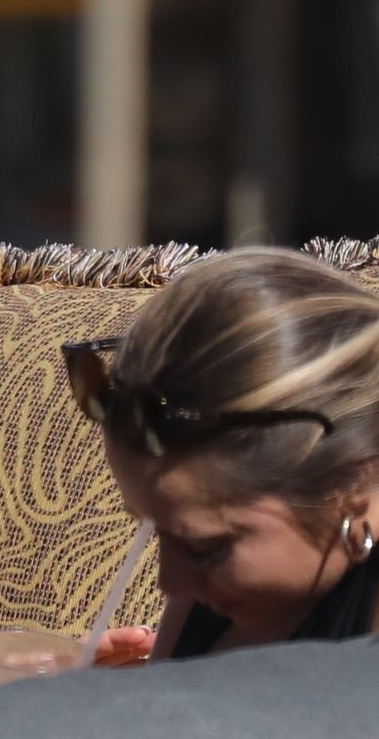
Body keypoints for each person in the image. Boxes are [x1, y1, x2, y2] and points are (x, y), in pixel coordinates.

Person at [66, 249, 379, 662]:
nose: (169, 582)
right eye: (155, 529)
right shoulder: (212, 595)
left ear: (350, 483)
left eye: (208, 548)